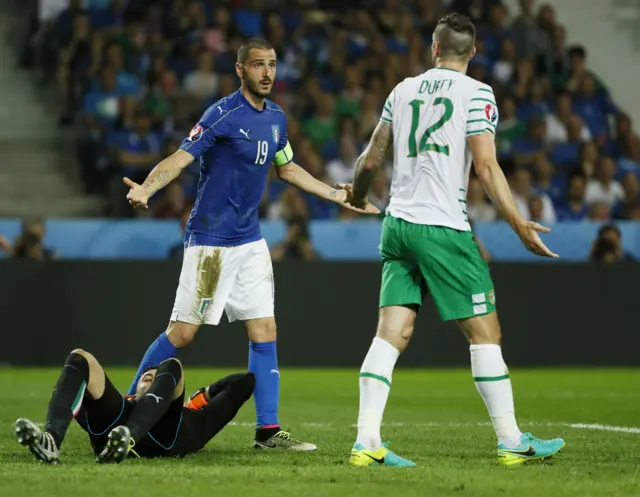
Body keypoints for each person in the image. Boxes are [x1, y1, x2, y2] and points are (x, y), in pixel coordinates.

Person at [121, 38, 379, 451]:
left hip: (250, 240)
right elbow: (180, 157)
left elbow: (288, 167)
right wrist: (148, 189)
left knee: (264, 328)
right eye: (258, 65)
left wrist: (337, 195)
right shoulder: (221, 114)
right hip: (210, 241)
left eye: (273, 65)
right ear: (240, 70)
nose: (267, 73)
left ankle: (268, 431)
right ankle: (129, 409)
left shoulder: (276, 117)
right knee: (182, 334)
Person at [341, 13, 566, 467]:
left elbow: (369, 161)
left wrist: (359, 198)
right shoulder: (478, 93)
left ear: (433, 47)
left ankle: (366, 440)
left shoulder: (401, 90)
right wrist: (520, 224)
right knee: (486, 333)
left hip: (397, 225)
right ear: (473, 52)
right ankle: (510, 441)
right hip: (443, 227)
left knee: (392, 332)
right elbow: (485, 167)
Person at [15, 349, 254, 464]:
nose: (150, 376)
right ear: (136, 386)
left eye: (156, 376)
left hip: (162, 434)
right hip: (115, 432)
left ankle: (129, 438)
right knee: (79, 357)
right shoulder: (124, 405)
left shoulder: (192, 419)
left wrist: (202, 398)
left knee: (172, 364)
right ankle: (51, 441)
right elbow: (77, 402)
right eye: (145, 376)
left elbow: (244, 383)